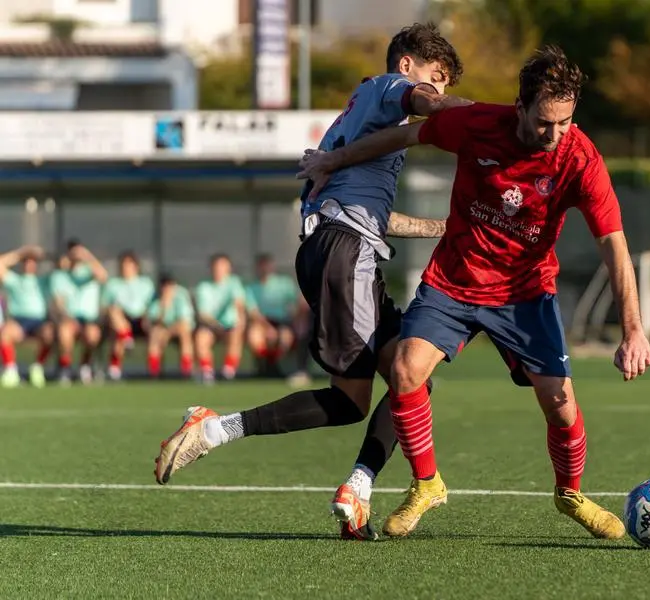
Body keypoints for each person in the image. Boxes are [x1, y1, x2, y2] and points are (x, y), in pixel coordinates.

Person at [296, 45, 650, 539]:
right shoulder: (478, 123)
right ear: (521, 107)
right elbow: (405, 135)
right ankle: (427, 485)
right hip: (454, 282)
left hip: (525, 293)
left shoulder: (581, 159)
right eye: (545, 123)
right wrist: (334, 159)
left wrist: (633, 330)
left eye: (566, 123)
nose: (555, 135)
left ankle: (570, 495)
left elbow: (614, 246)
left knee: (561, 404)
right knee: (404, 369)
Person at [153, 22, 468, 541]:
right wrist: (491, 115)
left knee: (412, 380)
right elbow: (428, 105)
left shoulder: (366, 120)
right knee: (353, 400)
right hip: (347, 254)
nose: (439, 91)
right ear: (408, 65)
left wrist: (438, 228)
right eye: (437, 78)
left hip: (343, 248)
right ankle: (215, 429)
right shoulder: (389, 88)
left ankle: (357, 490)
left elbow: (373, 213)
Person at [50, 240, 108, 385]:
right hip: (70, 319)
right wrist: (66, 316)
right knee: (65, 331)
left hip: (89, 319)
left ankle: (85, 365)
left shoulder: (89, 271)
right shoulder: (60, 276)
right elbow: (58, 302)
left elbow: (103, 276)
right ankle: (65, 368)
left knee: (92, 335)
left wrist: (86, 256)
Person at [0, 245, 53, 388]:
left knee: (49, 333)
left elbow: (60, 267)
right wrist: (20, 253)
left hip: (38, 322)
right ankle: (11, 371)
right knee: (5, 333)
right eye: (26, 261)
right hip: (19, 321)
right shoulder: (15, 280)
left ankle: (37, 368)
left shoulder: (43, 281)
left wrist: (41, 253)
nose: (29, 264)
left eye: (32, 261)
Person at [245, 253, 302, 377]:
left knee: (285, 338)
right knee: (254, 336)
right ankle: (264, 367)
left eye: (267, 265)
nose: (264, 268)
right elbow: (253, 312)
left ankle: (275, 367)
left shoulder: (285, 283)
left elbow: (297, 304)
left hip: (283, 322)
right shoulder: (251, 287)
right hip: (262, 323)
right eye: (261, 266)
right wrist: (268, 328)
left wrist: (293, 321)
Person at [102, 251, 156, 380]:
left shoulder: (146, 283)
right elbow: (105, 306)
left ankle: (154, 372)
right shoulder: (113, 284)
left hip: (142, 320)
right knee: (115, 315)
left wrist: (148, 317)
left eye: (128, 265)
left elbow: (153, 304)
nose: (125, 268)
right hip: (121, 320)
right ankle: (115, 368)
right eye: (123, 265)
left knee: (157, 333)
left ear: (136, 266)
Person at [193, 253, 246, 383]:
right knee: (201, 337)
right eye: (217, 266)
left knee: (236, 333)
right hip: (211, 326)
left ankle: (228, 371)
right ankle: (207, 372)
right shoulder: (203, 287)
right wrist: (216, 326)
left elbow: (239, 305)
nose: (219, 270)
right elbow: (202, 314)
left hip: (230, 326)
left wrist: (240, 322)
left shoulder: (234, 283)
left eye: (223, 266)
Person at [145, 274, 196, 379]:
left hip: (178, 329)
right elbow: (152, 321)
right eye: (164, 286)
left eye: (170, 285)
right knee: (155, 334)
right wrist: (163, 307)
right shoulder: (155, 299)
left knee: (184, 332)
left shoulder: (181, 296)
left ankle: (186, 371)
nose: (167, 289)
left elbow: (184, 321)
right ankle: (154, 372)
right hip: (162, 330)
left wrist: (168, 333)